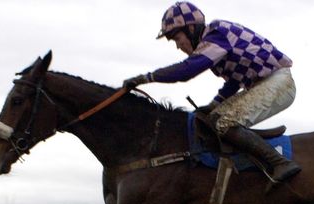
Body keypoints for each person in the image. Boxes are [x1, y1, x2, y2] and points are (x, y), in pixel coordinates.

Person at [123, 2, 301, 183]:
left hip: (278, 82)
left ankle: (279, 162)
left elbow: (187, 70)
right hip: (263, 83)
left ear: (191, 28)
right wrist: (214, 104)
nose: (178, 46)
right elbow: (234, 81)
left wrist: (147, 77)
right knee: (214, 118)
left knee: (224, 123)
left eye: (177, 38)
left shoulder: (216, 34)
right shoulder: (213, 44)